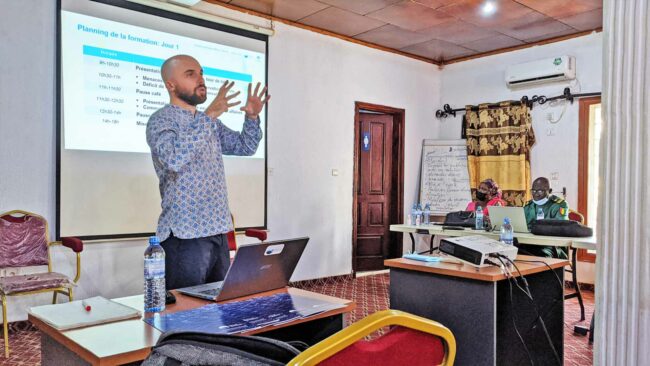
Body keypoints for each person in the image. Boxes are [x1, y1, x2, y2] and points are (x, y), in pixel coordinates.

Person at [146, 55, 269, 290]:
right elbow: (174, 158)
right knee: (185, 311)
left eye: (201, 73)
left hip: (218, 230)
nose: (200, 79)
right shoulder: (160, 120)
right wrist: (210, 114)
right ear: (170, 85)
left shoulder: (206, 122)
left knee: (217, 310)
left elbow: (244, 146)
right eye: (190, 74)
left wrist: (252, 117)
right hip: (186, 234)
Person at [519, 177, 569, 258]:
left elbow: (561, 227)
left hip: (551, 246)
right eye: (533, 191)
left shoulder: (559, 205)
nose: (536, 194)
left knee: (540, 255)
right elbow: (520, 226)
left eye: (540, 191)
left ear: (549, 191)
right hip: (529, 243)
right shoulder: (528, 206)